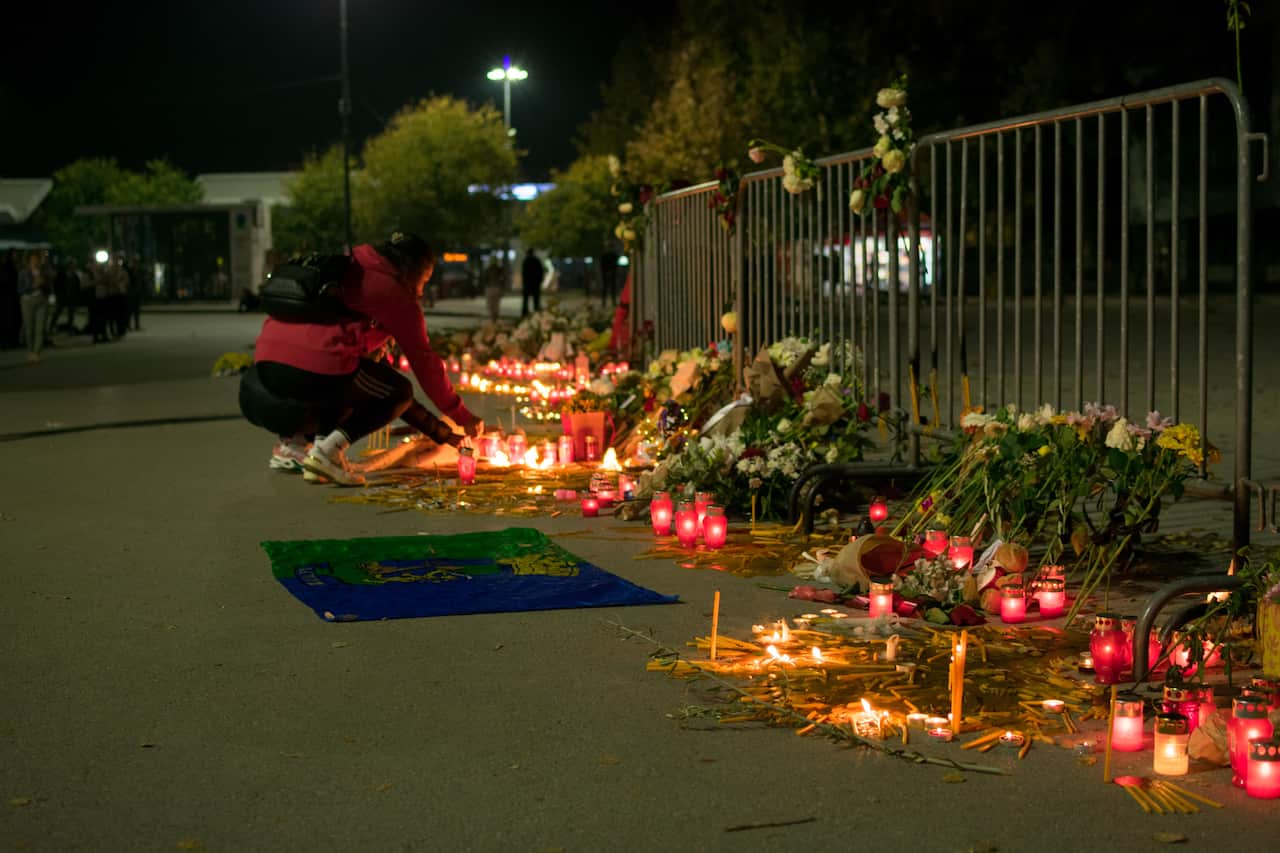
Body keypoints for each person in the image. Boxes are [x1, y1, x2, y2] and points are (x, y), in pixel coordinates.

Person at [240, 232, 484, 486]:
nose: (421, 293)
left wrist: (443, 435)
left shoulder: (349, 266)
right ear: (412, 272)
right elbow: (424, 364)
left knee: (353, 380)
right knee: (393, 389)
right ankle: (327, 453)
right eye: (424, 281)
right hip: (312, 371)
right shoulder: (394, 293)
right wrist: (462, 415)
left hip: (264, 377)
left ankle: (294, 446)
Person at [16, 251, 49, 363]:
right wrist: (32, 286)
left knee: (40, 327)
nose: (35, 261)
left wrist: (44, 282)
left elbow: (49, 285)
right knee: (29, 327)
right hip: (27, 300)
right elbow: (19, 289)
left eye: (37, 259)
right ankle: (30, 350)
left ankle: (36, 352)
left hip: (41, 300)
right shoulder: (23, 272)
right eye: (33, 259)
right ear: (29, 260)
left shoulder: (43, 271)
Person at [520, 247, 543, 317]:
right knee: (536, 300)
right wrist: (539, 281)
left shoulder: (526, 261)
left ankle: (525, 313)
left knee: (526, 300)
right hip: (535, 284)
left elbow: (524, 273)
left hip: (528, 284)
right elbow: (540, 272)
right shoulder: (537, 261)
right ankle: (536, 313)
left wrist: (524, 282)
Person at [482, 256, 505, 323]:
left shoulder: (489, 270)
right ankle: (494, 317)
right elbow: (503, 280)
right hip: (496, 288)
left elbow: (485, 280)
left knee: (491, 305)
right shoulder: (499, 270)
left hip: (491, 289)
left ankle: (494, 318)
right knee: (495, 305)